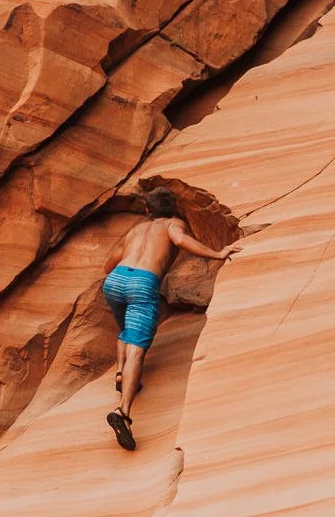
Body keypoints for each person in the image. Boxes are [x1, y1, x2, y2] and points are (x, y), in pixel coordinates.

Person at [101, 187, 240, 450]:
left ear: (147, 211)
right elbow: (180, 240)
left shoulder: (135, 231)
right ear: (173, 210)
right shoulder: (173, 224)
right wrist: (217, 253)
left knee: (126, 330)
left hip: (116, 280)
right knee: (137, 349)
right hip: (143, 283)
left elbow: (108, 265)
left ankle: (120, 374)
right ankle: (123, 413)